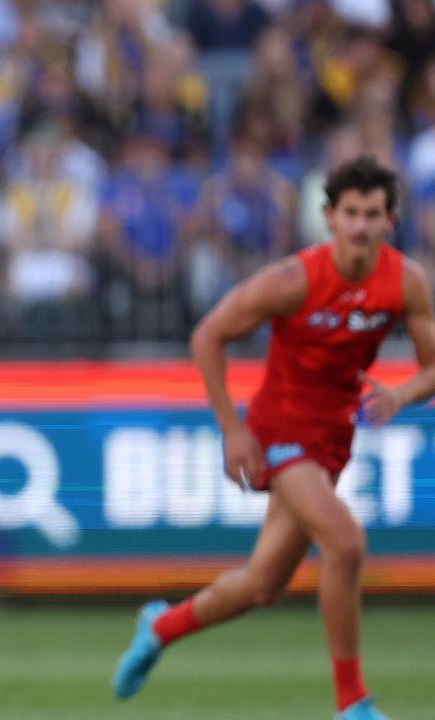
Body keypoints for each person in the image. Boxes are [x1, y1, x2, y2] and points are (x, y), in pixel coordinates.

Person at [112, 157, 434, 720]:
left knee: (263, 585)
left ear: (391, 220)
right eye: (350, 213)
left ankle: (160, 626)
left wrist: (401, 396)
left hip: (333, 438)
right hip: (279, 429)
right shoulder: (293, 280)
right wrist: (232, 430)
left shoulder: (405, 281)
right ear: (329, 217)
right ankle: (353, 702)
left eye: (373, 214)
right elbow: (208, 335)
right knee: (346, 543)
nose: (360, 225)